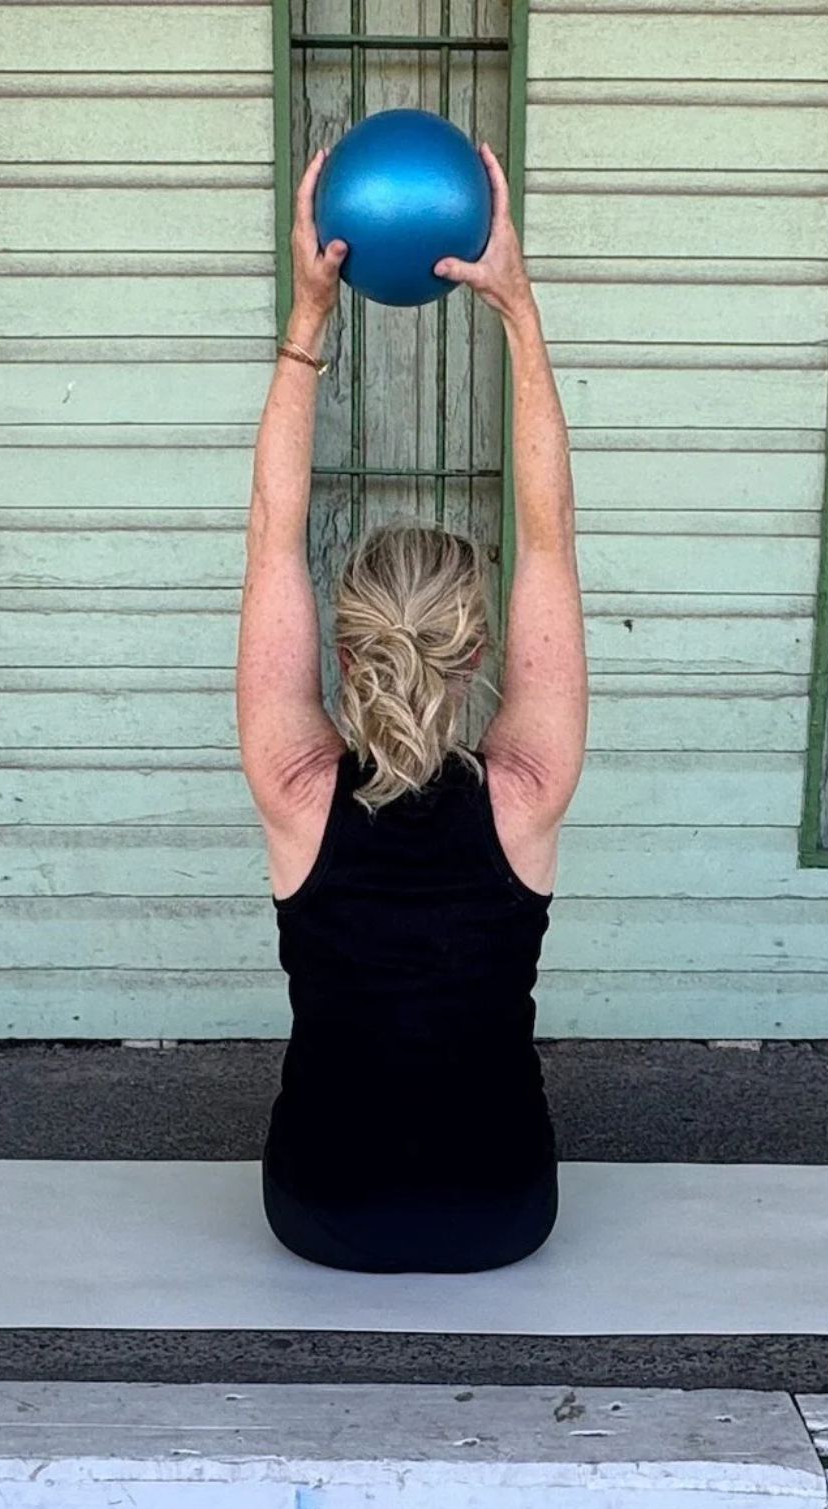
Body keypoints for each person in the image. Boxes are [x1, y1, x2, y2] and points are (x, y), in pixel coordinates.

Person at [235, 140, 587, 1274]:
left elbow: (271, 539)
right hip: (504, 1216)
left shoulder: (296, 790)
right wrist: (520, 318)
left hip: (320, 1214)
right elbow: (550, 542)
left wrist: (308, 318)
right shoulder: (526, 793)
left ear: (341, 646)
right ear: (478, 644)